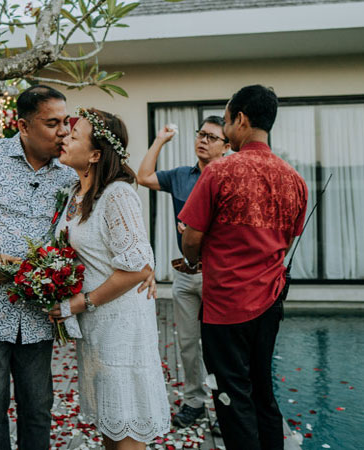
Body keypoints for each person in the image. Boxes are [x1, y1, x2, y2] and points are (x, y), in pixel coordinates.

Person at [0, 86, 156, 450]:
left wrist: (141, 267)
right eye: (52, 123)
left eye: (67, 123)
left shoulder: (70, 172)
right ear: (23, 125)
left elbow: (98, 223)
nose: (63, 132)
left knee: (38, 407)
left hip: (38, 315)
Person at [179, 85, 308, 450]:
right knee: (263, 390)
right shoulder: (295, 179)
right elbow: (289, 235)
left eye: (226, 118)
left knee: (232, 397)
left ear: (241, 119)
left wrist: (194, 258)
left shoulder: (220, 171)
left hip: (226, 306)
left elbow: (191, 238)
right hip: (270, 302)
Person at [47, 107, 170, 449]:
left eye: (74, 134)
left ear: (96, 154)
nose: (65, 137)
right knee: (110, 425)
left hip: (121, 328)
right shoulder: (75, 192)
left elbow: (140, 267)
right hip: (96, 329)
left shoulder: (117, 195)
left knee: (126, 424)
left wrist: (81, 302)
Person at [136, 116, 229, 428]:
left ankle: (226, 408)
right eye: (200, 134)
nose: (203, 140)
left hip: (220, 276)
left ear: (226, 146)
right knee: (188, 344)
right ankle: (194, 402)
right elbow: (143, 176)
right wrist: (161, 139)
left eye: (212, 137)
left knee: (221, 345)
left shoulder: (230, 178)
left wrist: (197, 231)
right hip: (186, 274)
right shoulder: (180, 176)